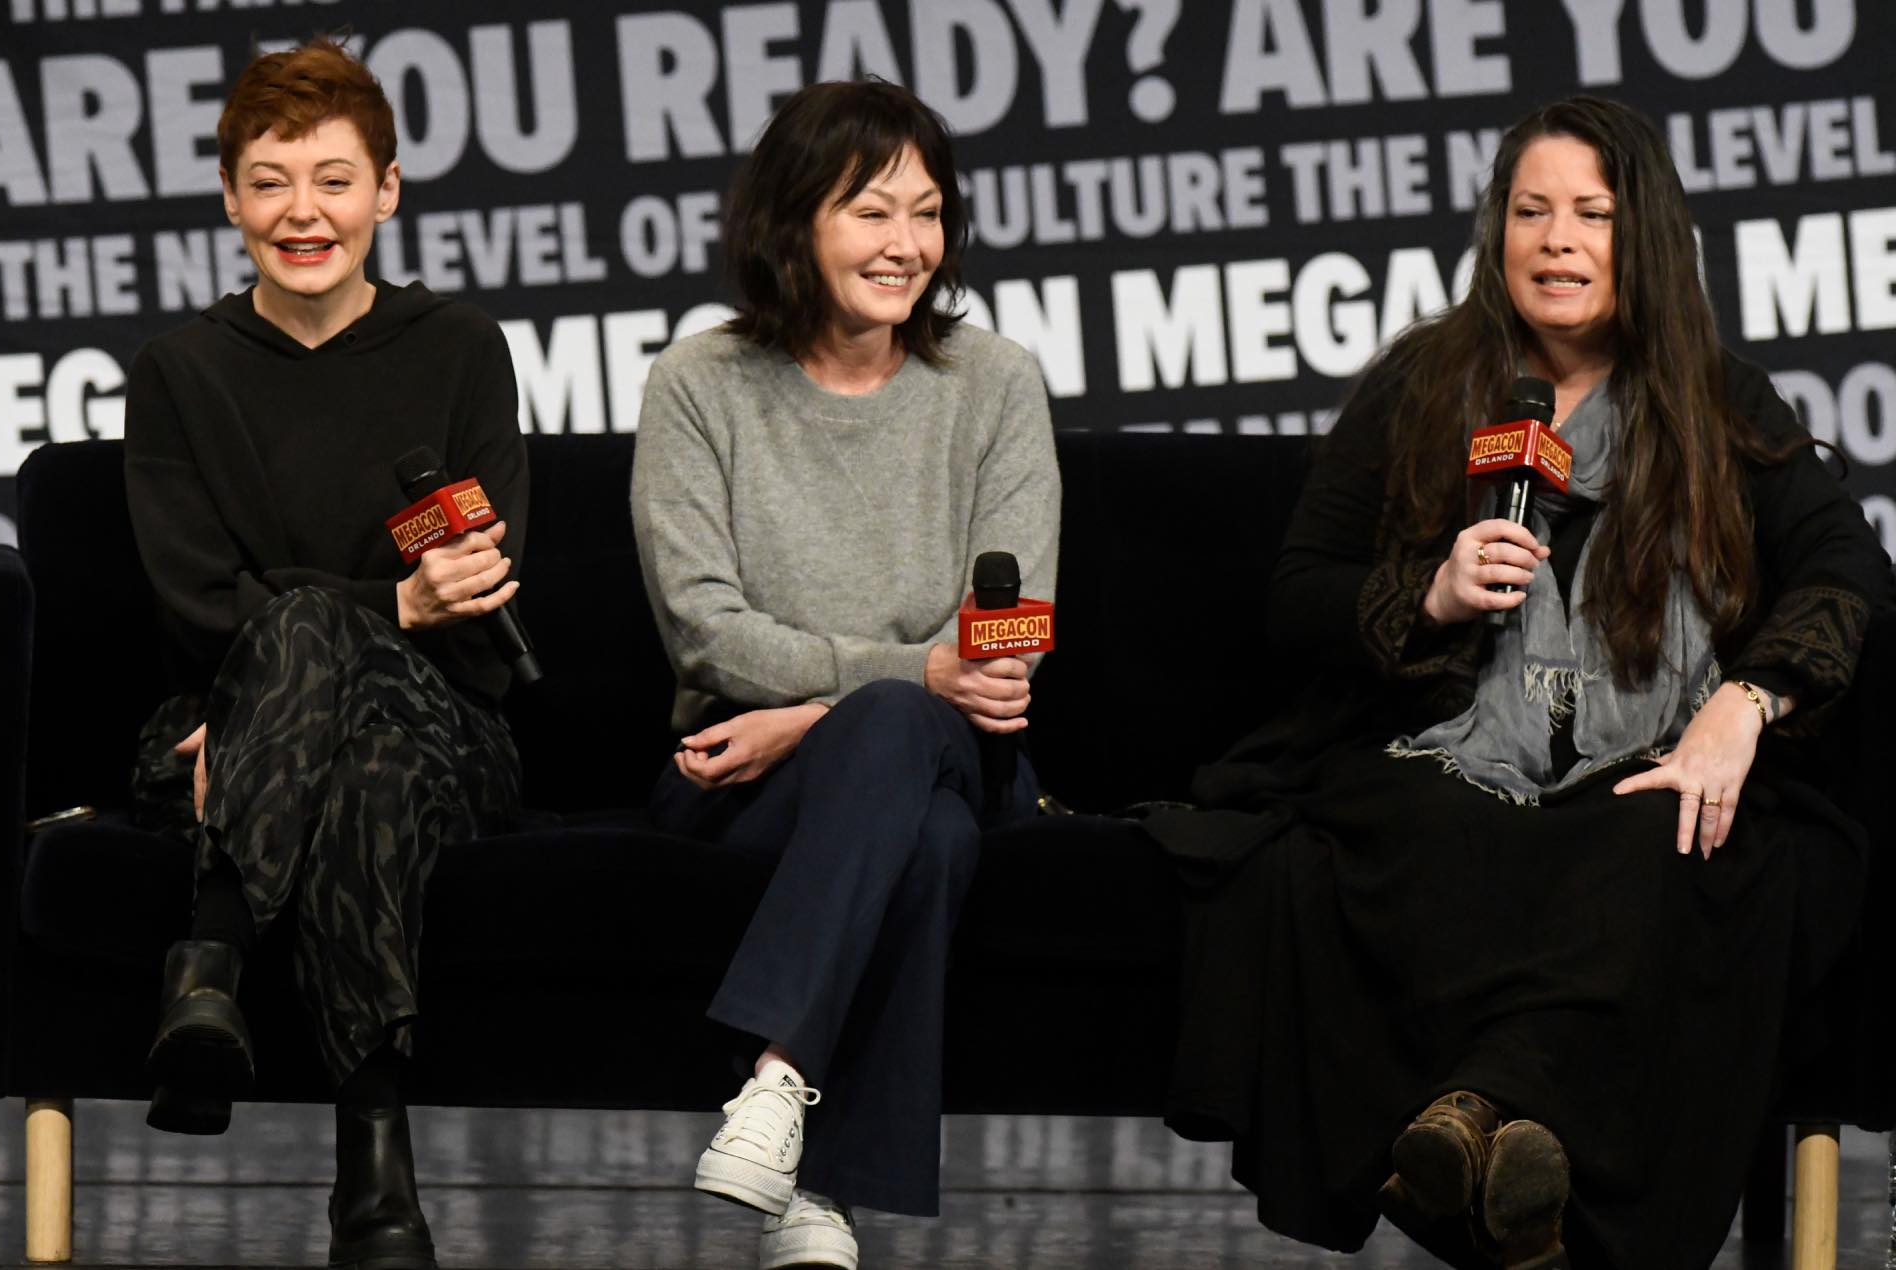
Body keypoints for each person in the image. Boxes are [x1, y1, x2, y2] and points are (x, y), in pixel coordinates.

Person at [1145, 95, 1894, 1270]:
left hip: (1631, 777)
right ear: (1495, 234)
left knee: (1663, 844)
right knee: (1400, 841)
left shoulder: (1717, 401)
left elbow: (1847, 565)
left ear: (1640, 236)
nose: (1554, 240)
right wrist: (1430, 592)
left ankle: (1470, 1122)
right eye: (1529, 211)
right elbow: (1296, 592)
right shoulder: (1423, 384)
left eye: (1589, 214)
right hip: (1442, 762)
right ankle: (1515, 1174)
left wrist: (1739, 706)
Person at [630, 79, 1061, 1270]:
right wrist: (856, 700)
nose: (905, 245)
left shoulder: (995, 383)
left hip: (957, 745)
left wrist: (821, 709)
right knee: (923, 840)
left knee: (899, 749)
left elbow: (1004, 633)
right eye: (870, 211)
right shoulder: (698, 386)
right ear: (792, 222)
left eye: (925, 213)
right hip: (738, 770)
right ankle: (818, 1193)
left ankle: (775, 1075)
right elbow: (704, 629)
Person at [122, 37, 527, 1270]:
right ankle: (376, 1170)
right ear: (231, 199)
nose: (305, 212)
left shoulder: (460, 350)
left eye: (335, 180)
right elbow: (201, 607)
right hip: (226, 711)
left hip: (446, 723)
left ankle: (213, 954)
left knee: (317, 646)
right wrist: (386, 603)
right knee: (352, 743)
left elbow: (481, 603)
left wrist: (379, 618)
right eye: (271, 181)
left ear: (388, 190)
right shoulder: (182, 371)